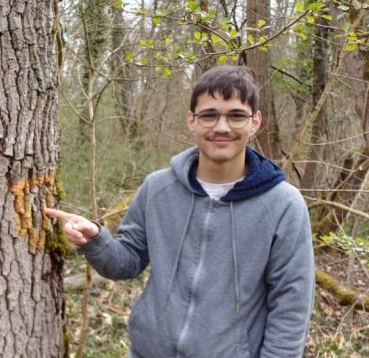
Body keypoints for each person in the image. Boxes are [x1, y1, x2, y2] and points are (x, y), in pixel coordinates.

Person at [45, 65, 314, 357]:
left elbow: (291, 304)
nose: (222, 127)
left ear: (255, 122)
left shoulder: (283, 204)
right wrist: (96, 239)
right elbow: (127, 262)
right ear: (192, 121)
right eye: (209, 115)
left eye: (236, 115)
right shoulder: (158, 188)